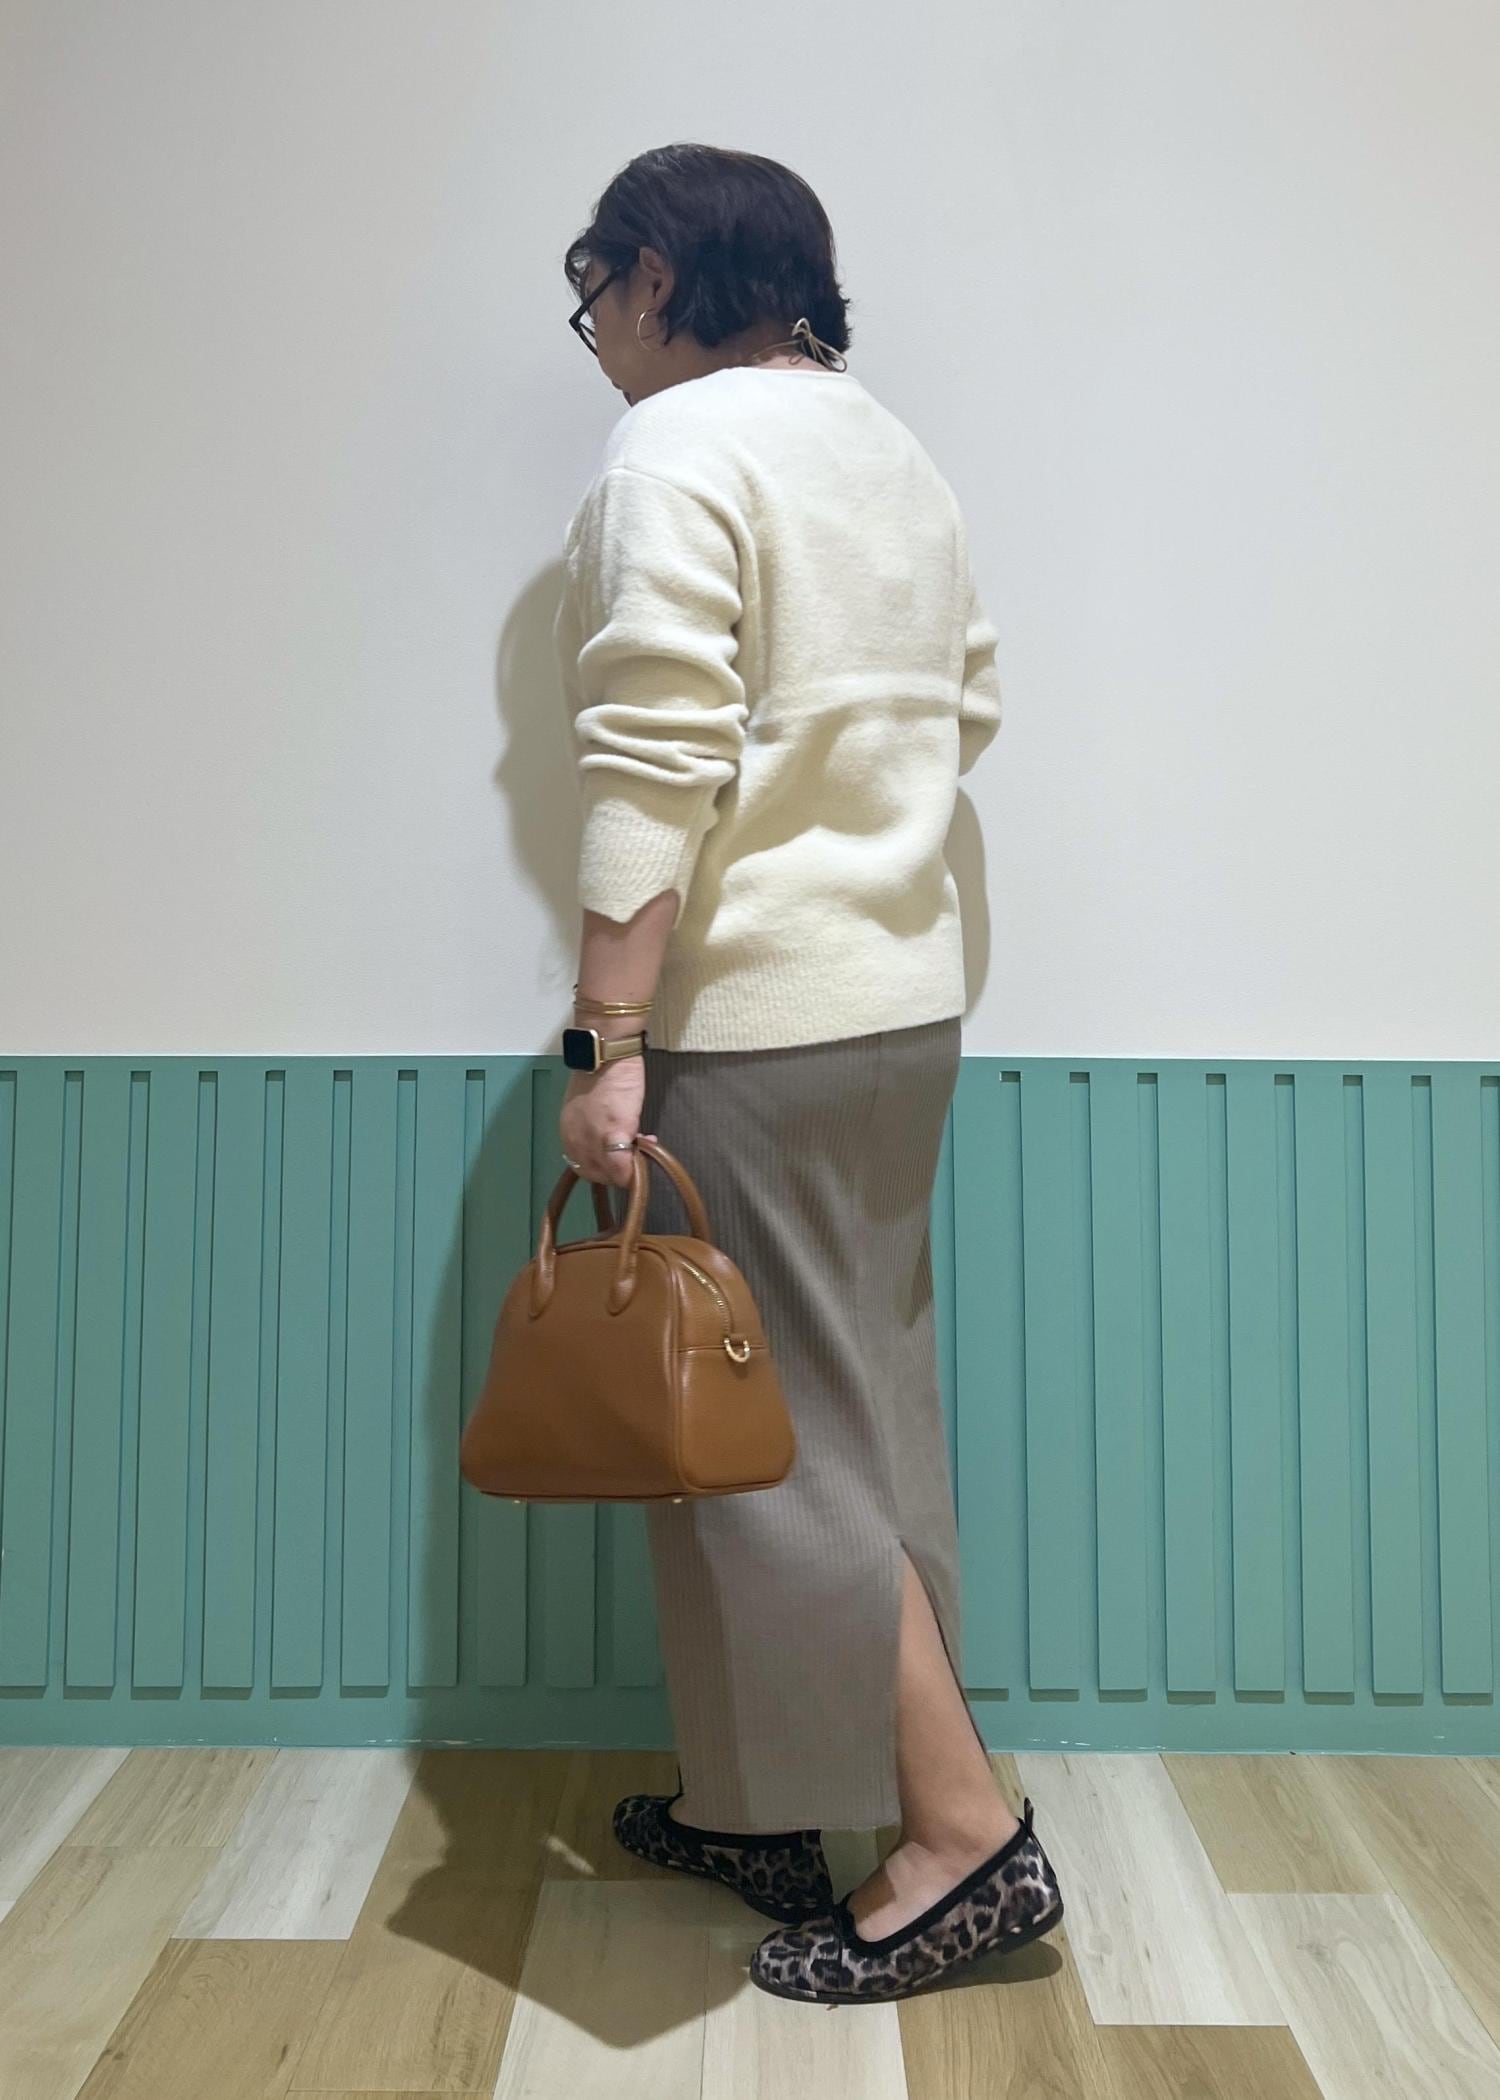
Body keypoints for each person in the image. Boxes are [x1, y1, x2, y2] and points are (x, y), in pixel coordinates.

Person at [550, 142, 1064, 2005]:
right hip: (903, 1005)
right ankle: (765, 1799)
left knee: (774, 1464)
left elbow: (652, 754)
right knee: (867, 1420)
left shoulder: (675, 453)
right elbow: (966, 705)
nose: (598, 333)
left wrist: (609, 1037)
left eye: (598, 293)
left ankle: (962, 1837)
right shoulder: (890, 452)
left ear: (662, 277)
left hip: (755, 1014)